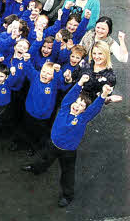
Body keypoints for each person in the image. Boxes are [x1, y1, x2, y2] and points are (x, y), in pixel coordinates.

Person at [22, 76, 112, 207]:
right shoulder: (64, 108)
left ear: (84, 110)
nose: (77, 105)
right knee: (43, 159)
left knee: (67, 174)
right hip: (52, 145)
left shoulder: (83, 118)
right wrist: (80, 83)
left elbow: (95, 108)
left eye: (82, 105)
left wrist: (103, 95)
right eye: (77, 102)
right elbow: (70, 96)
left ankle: (67, 195)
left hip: (68, 152)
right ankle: (35, 169)